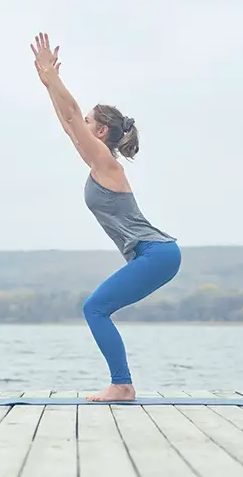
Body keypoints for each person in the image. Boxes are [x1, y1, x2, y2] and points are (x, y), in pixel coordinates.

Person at [31, 32, 181, 402]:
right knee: (97, 307)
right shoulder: (98, 160)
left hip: (156, 253)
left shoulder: (105, 161)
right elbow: (68, 121)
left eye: (88, 121)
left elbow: (70, 116)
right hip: (155, 254)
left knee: (95, 308)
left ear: (100, 132)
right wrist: (48, 85)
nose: (80, 124)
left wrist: (53, 78)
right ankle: (121, 383)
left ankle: (122, 385)